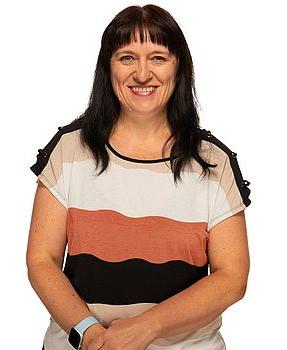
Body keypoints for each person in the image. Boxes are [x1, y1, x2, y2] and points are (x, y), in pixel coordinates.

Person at [26, 4, 251, 350]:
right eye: (127, 57)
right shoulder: (68, 151)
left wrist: (146, 328)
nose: (143, 73)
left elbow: (232, 278)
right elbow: (42, 261)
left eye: (158, 57)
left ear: (180, 69)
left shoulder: (213, 163)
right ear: (107, 67)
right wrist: (89, 332)